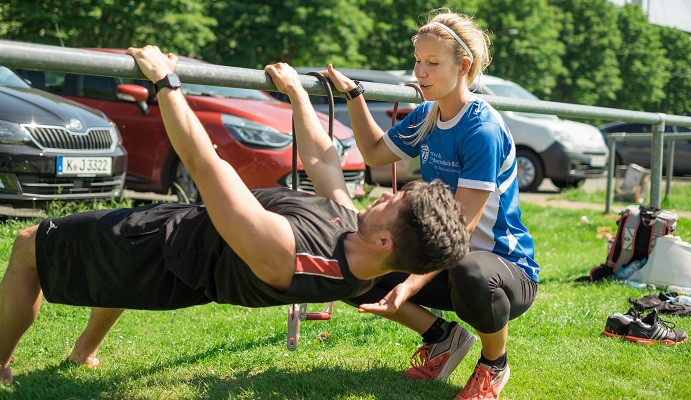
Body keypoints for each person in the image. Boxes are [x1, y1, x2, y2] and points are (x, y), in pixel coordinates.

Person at [0, 47, 469, 386]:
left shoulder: (288, 255)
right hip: (184, 253)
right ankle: (84, 353)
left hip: (167, 245)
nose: (381, 197)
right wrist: (297, 94)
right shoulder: (360, 255)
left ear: (386, 241)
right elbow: (325, 162)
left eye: (392, 203)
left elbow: (207, 165)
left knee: (28, 245)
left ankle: (0, 363)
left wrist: (165, 81)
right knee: (119, 273)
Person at [321, 9, 539, 400]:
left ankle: (495, 364)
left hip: (505, 271)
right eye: (418, 60)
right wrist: (355, 94)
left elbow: (461, 232)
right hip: (449, 262)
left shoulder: (481, 130)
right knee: (347, 260)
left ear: (463, 66)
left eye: (432, 63)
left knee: (471, 270)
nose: (420, 72)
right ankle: (442, 338)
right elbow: (372, 152)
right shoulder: (426, 115)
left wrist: (408, 283)